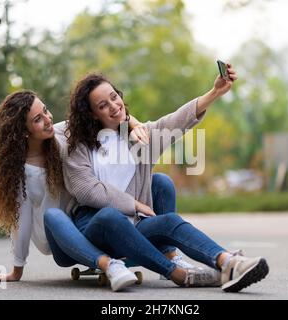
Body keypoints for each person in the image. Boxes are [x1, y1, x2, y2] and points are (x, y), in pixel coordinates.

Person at [58, 66, 269, 292]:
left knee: (167, 213)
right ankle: (172, 269)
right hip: (95, 229)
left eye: (114, 97)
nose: (113, 106)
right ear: (91, 113)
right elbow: (88, 191)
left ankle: (229, 263)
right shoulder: (76, 145)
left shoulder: (139, 138)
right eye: (102, 105)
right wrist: (134, 204)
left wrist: (215, 92)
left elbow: (176, 121)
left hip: (132, 227)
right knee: (110, 215)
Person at [0, 90, 191, 291]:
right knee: (54, 215)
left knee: (160, 182)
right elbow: (22, 221)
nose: (47, 119)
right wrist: (17, 270)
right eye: (38, 119)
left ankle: (169, 255)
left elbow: (102, 116)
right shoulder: (22, 172)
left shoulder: (60, 135)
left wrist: (134, 124)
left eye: (45, 110)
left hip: (90, 221)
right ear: (23, 131)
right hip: (64, 241)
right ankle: (110, 265)